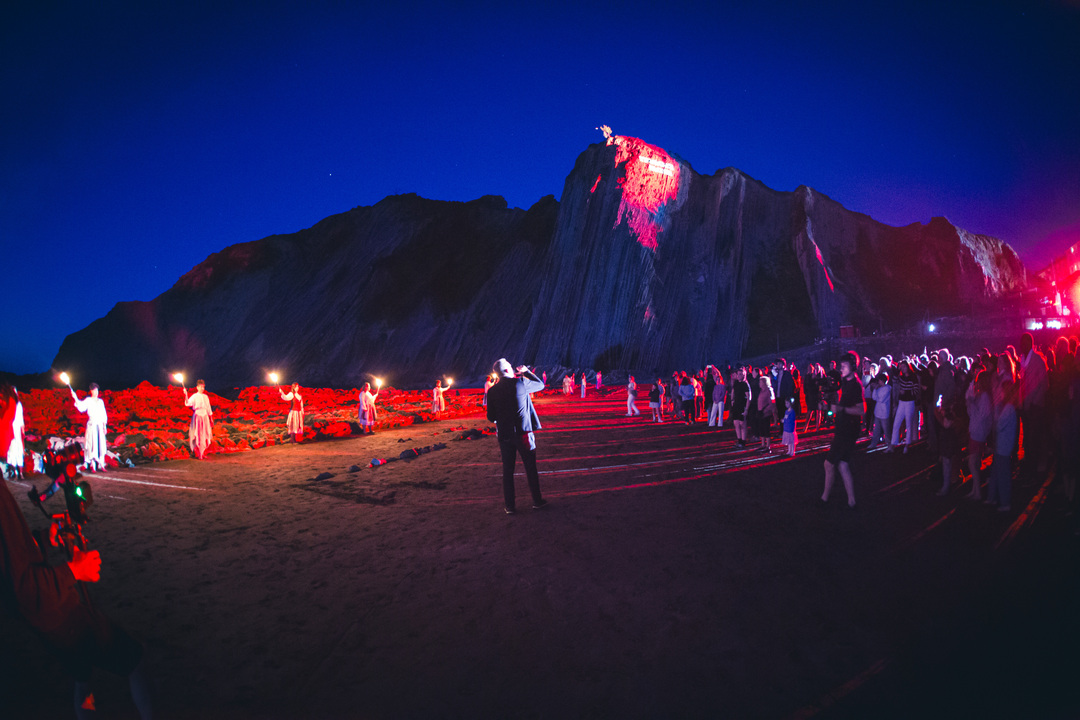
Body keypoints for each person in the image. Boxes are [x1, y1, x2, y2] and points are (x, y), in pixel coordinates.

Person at [0, 467, 152, 718]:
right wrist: (74, 571)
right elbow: (23, 589)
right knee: (135, 658)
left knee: (82, 675)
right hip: (55, 615)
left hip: (47, 616)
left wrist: (41, 540)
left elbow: (10, 556)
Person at [486, 359, 547, 515]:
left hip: (505, 435)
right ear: (508, 371)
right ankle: (537, 501)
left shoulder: (492, 391)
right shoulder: (521, 383)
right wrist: (526, 372)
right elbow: (540, 385)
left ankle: (510, 506)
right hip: (523, 433)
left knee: (508, 471)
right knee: (530, 468)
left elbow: (491, 417)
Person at [822, 352, 865, 508]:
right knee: (842, 464)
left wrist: (842, 409)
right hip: (844, 428)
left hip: (847, 431)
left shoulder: (856, 385)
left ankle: (824, 498)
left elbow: (862, 410)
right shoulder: (846, 382)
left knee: (829, 464)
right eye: (841, 366)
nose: (841, 369)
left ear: (853, 366)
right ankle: (851, 501)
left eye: (844, 366)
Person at [71, 383, 108, 472]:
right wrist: (75, 397)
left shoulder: (100, 401)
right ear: (91, 391)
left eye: (97, 390)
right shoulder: (88, 400)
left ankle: (101, 464)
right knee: (92, 444)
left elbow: (103, 414)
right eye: (94, 390)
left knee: (101, 444)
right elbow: (81, 407)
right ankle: (93, 465)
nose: (96, 392)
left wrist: (104, 426)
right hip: (92, 425)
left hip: (99, 425)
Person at [182, 380, 213, 460]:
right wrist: (186, 394)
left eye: (203, 387)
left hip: (205, 416)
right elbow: (187, 403)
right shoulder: (195, 396)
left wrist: (211, 419)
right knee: (199, 434)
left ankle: (203, 453)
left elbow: (209, 408)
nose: (202, 388)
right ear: (197, 387)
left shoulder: (205, 397)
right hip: (198, 416)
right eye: (201, 387)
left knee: (204, 434)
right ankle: (199, 454)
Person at [4, 385, 25, 479]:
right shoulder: (9, 403)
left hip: (15, 428)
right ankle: (15, 472)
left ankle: (19, 472)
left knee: (17, 449)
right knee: (12, 449)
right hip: (11, 427)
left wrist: (22, 431)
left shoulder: (18, 404)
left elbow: (21, 419)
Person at [867, 372, 892, 450]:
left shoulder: (887, 389)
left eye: (879, 380)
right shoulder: (878, 388)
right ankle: (873, 443)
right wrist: (875, 390)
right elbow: (874, 398)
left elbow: (881, 399)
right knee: (876, 430)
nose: (878, 382)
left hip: (884, 413)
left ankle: (889, 445)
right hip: (877, 412)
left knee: (886, 430)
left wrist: (876, 393)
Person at [755, 375, 777, 453]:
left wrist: (766, 410)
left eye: (761, 382)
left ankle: (768, 446)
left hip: (766, 413)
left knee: (766, 429)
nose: (759, 384)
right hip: (761, 412)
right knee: (761, 429)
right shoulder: (762, 391)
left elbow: (772, 403)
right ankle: (763, 444)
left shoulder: (769, 390)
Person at [731, 367, 751, 448]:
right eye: (738, 374)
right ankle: (739, 440)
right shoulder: (736, 383)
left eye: (740, 374)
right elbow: (733, 391)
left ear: (744, 375)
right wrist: (732, 400)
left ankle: (743, 441)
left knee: (742, 424)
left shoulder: (745, 384)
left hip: (742, 405)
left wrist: (746, 409)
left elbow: (749, 397)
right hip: (736, 405)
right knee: (736, 423)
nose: (739, 376)